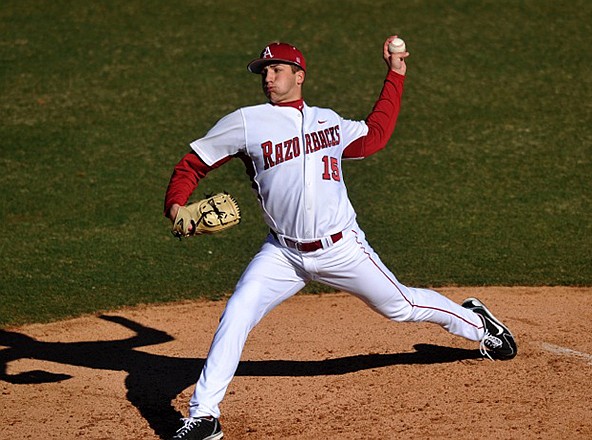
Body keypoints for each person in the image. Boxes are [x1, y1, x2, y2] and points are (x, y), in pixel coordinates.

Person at [164, 36, 517, 440]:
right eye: (264, 71)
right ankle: (205, 415)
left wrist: (396, 74)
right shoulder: (247, 122)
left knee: (401, 306)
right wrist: (176, 207)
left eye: (277, 69)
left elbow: (375, 135)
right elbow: (192, 164)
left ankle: (480, 325)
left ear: (299, 75)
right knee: (238, 313)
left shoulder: (328, 122)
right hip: (282, 253)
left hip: (341, 248)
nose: (268, 77)